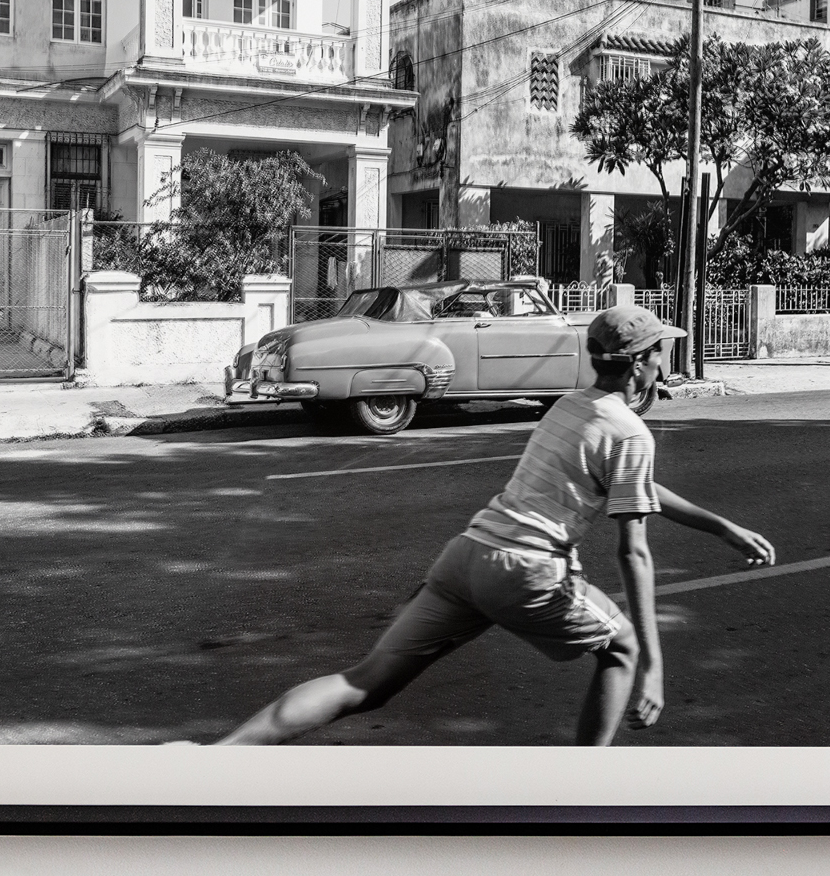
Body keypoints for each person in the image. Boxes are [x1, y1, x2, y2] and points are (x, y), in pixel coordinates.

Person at [219, 305, 776, 746]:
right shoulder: (630, 431)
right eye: (659, 353)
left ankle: (223, 754)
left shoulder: (568, 406)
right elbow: (635, 552)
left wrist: (720, 526)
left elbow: (636, 488)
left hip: (467, 555)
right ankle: (580, 798)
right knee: (622, 648)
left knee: (364, 682)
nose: (663, 363)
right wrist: (654, 667)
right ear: (637, 363)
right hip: (528, 570)